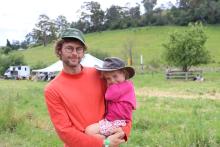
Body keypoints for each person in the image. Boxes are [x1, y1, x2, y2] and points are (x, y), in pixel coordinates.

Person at [44, 28, 131, 147]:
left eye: (79, 48)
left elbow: (123, 104)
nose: (75, 53)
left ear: (83, 52)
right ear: (60, 51)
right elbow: (65, 131)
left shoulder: (98, 74)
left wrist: (124, 132)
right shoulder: (52, 89)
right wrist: (104, 143)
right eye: (69, 48)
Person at [85, 57, 136, 139]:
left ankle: (106, 142)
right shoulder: (127, 85)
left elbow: (108, 96)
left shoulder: (123, 86)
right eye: (108, 78)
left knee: (89, 131)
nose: (112, 81)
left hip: (115, 122)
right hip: (115, 120)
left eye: (115, 76)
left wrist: (108, 86)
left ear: (124, 73)